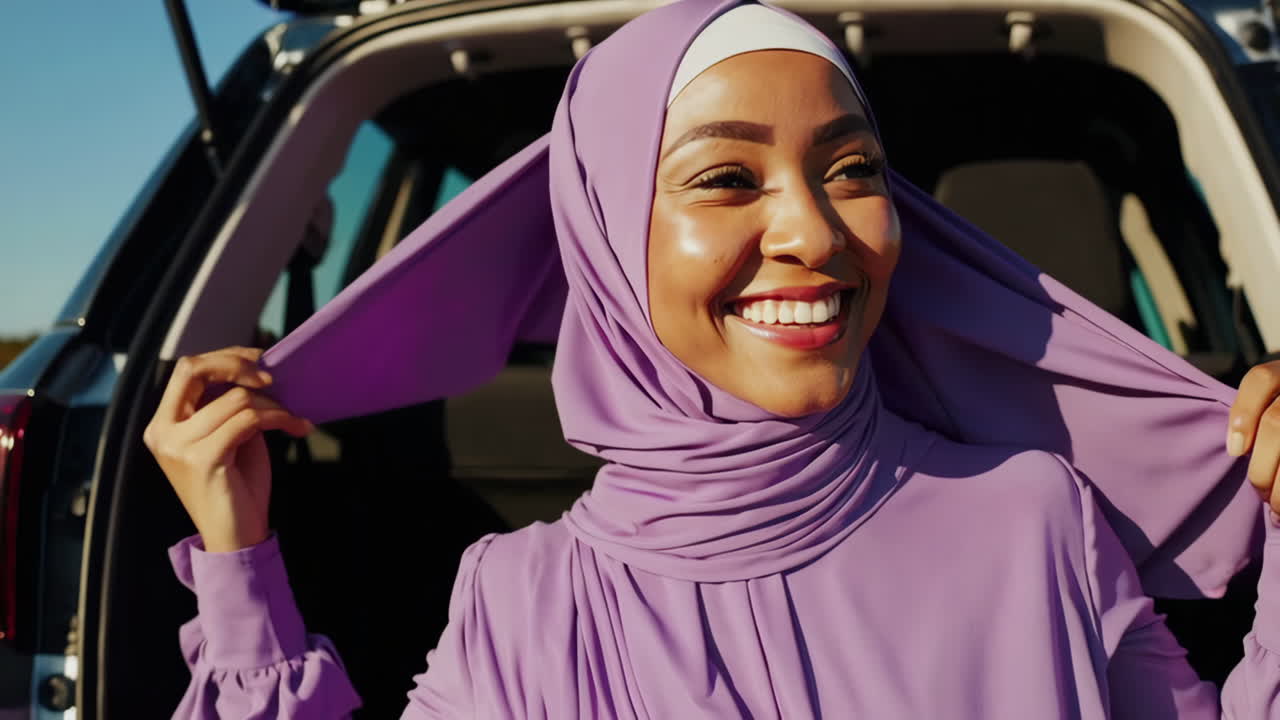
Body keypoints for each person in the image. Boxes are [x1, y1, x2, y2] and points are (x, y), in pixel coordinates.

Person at [144, 0, 1280, 716]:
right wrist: (241, 564)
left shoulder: (1033, 517)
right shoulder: (524, 603)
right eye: (726, 178)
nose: (815, 232)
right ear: (603, 242)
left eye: (850, 171)